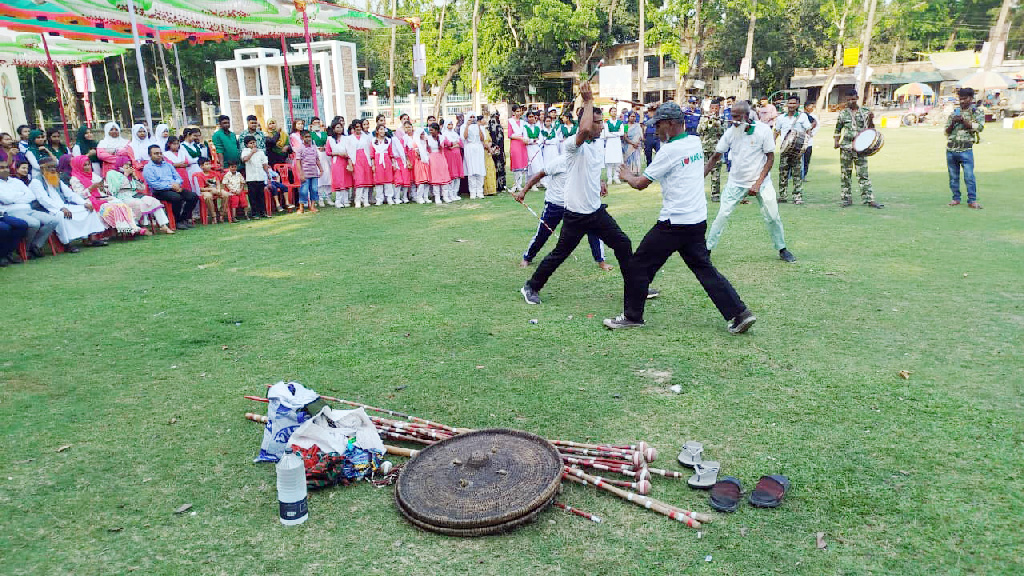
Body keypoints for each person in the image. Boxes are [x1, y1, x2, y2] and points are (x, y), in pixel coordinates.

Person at [604, 102, 755, 333]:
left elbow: (641, 184)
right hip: (696, 220)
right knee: (704, 269)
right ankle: (740, 313)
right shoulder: (694, 142)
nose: (655, 130)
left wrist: (627, 175)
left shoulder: (669, 151)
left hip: (674, 222)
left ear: (672, 124)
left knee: (639, 264)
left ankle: (632, 316)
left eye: (659, 125)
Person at [520, 81, 634, 306]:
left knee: (623, 244)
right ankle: (531, 287)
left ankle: (638, 286)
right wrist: (589, 100)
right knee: (559, 254)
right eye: (597, 123)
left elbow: (591, 168)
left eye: (601, 122)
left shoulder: (596, 145)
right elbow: (583, 130)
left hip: (595, 211)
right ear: (587, 123)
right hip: (576, 214)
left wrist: (600, 181)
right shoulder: (573, 145)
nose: (601, 127)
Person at [703, 101, 796, 263]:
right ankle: (707, 250)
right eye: (731, 116)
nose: (733, 120)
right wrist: (698, 179)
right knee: (722, 215)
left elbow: (770, 158)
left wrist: (758, 183)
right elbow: (715, 158)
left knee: (773, 217)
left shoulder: (763, 130)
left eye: (737, 117)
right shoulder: (731, 132)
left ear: (746, 116)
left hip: (762, 182)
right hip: (736, 182)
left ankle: (782, 249)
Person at [31, 157, 107, 250]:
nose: (53, 169)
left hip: (64, 205)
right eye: (49, 167)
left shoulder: (56, 178)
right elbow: (44, 200)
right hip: (48, 209)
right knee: (61, 215)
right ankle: (67, 243)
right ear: (42, 168)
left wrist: (84, 203)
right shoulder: (36, 182)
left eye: (54, 167)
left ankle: (90, 238)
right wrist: (60, 208)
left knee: (87, 209)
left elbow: (70, 194)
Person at [0, 156, 60, 258]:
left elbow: (31, 196)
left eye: (6, 167)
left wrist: (14, 198)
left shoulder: (16, 181)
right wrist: (20, 195)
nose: (5, 169)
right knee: (34, 223)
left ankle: (35, 245)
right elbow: (6, 199)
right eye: (1, 167)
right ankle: (26, 249)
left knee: (53, 220)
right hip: (12, 212)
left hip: (28, 209)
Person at [70, 155, 143, 236]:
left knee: (120, 204)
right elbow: (79, 196)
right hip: (88, 201)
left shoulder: (93, 175)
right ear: (78, 166)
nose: (87, 167)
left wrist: (104, 188)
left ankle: (131, 227)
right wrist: (91, 188)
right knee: (113, 207)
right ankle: (129, 230)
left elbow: (105, 187)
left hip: (101, 197)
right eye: (84, 165)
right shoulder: (75, 179)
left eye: (88, 164)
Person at [833, 90, 882, 208]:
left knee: (863, 174)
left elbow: (871, 129)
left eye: (853, 99)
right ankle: (846, 199)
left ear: (857, 98)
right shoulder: (843, 113)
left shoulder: (865, 112)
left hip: (861, 148)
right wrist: (836, 142)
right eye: (848, 99)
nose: (851, 101)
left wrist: (871, 119)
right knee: (845, 174)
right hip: (846, 147)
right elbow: (838, 129)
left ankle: (869, 199)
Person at [105, 155, 173, 233]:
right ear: (120, 164)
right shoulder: (112, 173)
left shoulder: (130, 175)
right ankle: (139, 227)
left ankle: (163, 225)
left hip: (134, 194)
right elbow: (114, 189)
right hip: (121, 196)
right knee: (139, 203)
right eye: (126, 164)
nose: (128, 166)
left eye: (129, 164)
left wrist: (135, 177)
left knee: (153, 201)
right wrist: (125, 175)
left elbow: (142, 188)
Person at [945, 87, 985, 209]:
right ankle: (955, 198)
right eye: (960, 99)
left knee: (969, 176)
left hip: (966, 149)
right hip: (951, 149)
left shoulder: (976, 112)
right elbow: (946, 132)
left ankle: (972, 200)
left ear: (971, 98)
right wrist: (953, 122)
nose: (962, 101)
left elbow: (979, 127)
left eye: (965, 98)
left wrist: (963, 121)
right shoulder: (954, 113)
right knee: (953, 177)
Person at [143, 144, 198, 229]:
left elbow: (178, 177)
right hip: (160, 191)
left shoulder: (168, 165)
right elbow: (154, 184)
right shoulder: (148, 168)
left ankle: (184, 218)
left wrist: (177, 184)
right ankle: (176, 221)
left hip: (174, 187)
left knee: (193, 196)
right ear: (150, 155)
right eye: (156, 153)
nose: (159, 155)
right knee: (176, 198)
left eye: (160, 153)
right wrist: (170, 186)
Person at [773, 95, 812, 204]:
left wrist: (805, 142)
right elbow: (776, 131)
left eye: (794, 103)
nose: (791, 105)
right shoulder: (781, 118)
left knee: (797, 173)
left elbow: (808, 129)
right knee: (783, 172)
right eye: (790, 103)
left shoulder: (802, 116)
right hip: (785, 149)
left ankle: (797, 196)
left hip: (797, 150)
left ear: (798, 105)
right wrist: (773, 141)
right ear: (787, 104)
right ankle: (782, 195)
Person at [698, 98, 726, 202]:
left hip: (716, 149)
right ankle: (698, 193)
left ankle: (715, 194)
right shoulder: (703, 117)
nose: (714, 110)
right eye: (712, 108)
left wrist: (718, 124)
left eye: (716, 108)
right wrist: (706, 120)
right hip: (705, 148)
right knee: (702, 172)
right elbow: (699, 130)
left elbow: (724, 133)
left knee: (716, 173)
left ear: (719, 108)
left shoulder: (723, 119)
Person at [241, 135, 271, 217]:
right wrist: (252, 152)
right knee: (253, 197)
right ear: (247, 145)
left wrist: (268, 174)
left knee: (261, 196)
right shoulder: (245, 151)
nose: (253, 144)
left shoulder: (261, 152)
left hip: (260, 177)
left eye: (254, 142)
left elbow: (264, 163)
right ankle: (254, 213)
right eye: (251, 143)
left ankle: (263, 212)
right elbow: (245, 159)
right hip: (251, 178)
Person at [347, 119, 375, 208]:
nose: (358, 129)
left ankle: (365, 200)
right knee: (359, 181)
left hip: (366, 159)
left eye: (360, 127)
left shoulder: (366, 137)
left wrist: (371, 161)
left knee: (366, 180)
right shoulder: (350, 138)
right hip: (356, 159)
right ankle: (358, 200)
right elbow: (349, 151)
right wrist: (351, 163)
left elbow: (370, 148)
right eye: (357, 127)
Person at [328, 121, 353, 208]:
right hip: (336, 162)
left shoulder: (346, 139)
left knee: (346, 180)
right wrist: (338, 153)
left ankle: (345, 200)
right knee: (339, 181)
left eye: (341, 127)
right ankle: (338, 201)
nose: (339, 129)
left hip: (345, 161)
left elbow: (350, 150)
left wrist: (348, 158)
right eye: (337, 127)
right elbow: (328, 152)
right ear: (334, 129)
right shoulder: (330, 139)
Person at [425, 122, 451, 204]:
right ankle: (437, 197)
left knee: (444, 177)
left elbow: (449, 144)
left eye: (432, 130)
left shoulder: (442, 138)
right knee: (436, 178)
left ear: (436, 130)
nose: (430, 132)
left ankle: (445, 196)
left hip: (441, 158)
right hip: (432, 158)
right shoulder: (427, 138)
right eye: (430, 130)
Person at [462, 114, 488, 199]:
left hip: (478, 148)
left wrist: (479, 127)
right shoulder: (464, 126)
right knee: (471, 171)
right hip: (469, 148)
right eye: (471, 117)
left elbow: (482, 138)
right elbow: (464, 137)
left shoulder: (480, 126)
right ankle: (472, 192)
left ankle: (480, 191)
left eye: (474, 117)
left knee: (480, 170)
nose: (472, 119)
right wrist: (467, 126)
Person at [308, 117, 332, 206]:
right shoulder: (310, 134)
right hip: (316, 155)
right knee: (320, 177)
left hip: (325, 155)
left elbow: (328, 143)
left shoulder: (324, 134)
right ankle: (320, 198)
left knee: (327, 175)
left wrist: (324, 147)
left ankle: (329, 197)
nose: (317, 124)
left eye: (318, 122)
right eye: (315, 123)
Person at [369, 125, 395, 206]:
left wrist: (393, 163)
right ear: (377, 131)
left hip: (386, 160)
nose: (382, 131)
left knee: (388, 179)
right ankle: (379, 198)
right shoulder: (373, 141)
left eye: (383, 129)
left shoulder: (388, 141)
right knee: (379, 180)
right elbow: (372, 154)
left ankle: (389, 197)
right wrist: (373, 165)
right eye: (380, 129)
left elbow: (391, 153)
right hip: (378, 161)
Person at [601, 107, 626, 184]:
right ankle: (609, 178)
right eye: (612, 111)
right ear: (610, 112)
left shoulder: (620, 122)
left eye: (615, 111)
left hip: (617, 142)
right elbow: (606, 134)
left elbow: (622, 133)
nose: (614, 112)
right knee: (609, 160)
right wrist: (616, 134)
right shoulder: (607, 122)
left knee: (617, 160)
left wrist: (613, 133)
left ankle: (616, 176)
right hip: (610, 142)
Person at [441, 120, 464, 202]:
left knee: (457, 175)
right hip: (449, 157)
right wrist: (454, 144)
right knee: (452, 175)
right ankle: (450, 194)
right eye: (449, 124)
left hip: (457, 156)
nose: (450, 126)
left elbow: (460, 144)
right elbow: (448, 145)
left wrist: (454, 144)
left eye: (451, 124)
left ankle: (455, 193)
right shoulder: (444, 134)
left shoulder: (455, 134)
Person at [508, 105, 529, 191]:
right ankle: (516, 183)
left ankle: (519, 184)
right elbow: (510, 135)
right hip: (515, 144)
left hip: (522, 145)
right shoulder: (510, 121)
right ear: (513, 112)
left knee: (522, 164)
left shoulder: (523, 122)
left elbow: (525, 133)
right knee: (516, 164)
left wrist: (526, 139)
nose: (518, 113)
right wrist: (520, 138)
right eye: (517, 111)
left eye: (520, 111)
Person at [488, 111, 506, 193]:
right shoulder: (492, 126)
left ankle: (500, 185)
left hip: (497, 150)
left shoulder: (494, 126)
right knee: (496, 168)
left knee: (499, 168)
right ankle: (499, 186)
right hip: (494, 150)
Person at [801, 102, 818, 180]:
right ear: (806, 107)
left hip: (809, 142)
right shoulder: (802, 116)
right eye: (810, 106)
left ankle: (804, 175)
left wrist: (811, 133)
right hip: (801, 141)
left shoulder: (813, 117)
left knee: (806, 159)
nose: (812, 108)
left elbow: (816, 126)